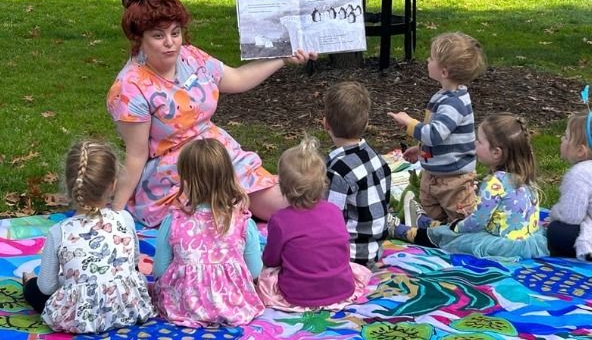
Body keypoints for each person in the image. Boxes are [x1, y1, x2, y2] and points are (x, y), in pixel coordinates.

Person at [107, 0, 316, 227]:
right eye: (158, 35)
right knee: (214, 228)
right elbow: (136, 156)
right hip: (178, 177)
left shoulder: (191, 56)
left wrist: (282, 58)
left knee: (290, 207)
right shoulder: (129, 87)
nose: (170, 43)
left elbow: (237, 79)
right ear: (138, 38)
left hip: (222, 157)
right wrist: (115, 217)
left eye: (175, 33)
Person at [22, 141, 154, 334]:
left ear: (69, 185)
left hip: (81, 317)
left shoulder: (60, 231)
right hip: (127, 308)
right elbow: (133, 265)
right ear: (113, 184)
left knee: (33, 289)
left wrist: (70, 283)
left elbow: (47, 287)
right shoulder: (124, 219)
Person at [390, 113, 549, 260]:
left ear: (496, 153)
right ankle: (426, 223)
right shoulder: (525, 178)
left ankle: (404, 232)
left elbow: (476, 223)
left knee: (452, 235)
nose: (474, 143)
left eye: (479, 141)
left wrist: (456, 227)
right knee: (455, 227)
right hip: (527, 242)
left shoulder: (495, 183)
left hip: (499, 245)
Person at [152, 138, 264, 327]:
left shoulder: (174, 221)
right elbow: (255, 270)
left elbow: (159, 271)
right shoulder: (242, 222)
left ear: (186, 181)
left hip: (183, 307)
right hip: (234, 305)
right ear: (228, 177)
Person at [256, 136, 372, 311]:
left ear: (282, 186)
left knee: (264, 277)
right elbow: (341, 251)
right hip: (342, 289)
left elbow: (271, 260)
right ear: (323, 183)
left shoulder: (280, 220)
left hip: (297, 295)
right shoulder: (334, 211)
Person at [388, 32, 487, 224]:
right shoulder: (444, 96)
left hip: (453, 179)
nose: (427, 60)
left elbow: (434, 134)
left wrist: (409, 123)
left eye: (432, 58)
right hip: (435, 174)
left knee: (461, 218)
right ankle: (437, 234)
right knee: (430, 211)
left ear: (444, 72)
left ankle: (458, 238)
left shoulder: (453, 104)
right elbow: (444, 138)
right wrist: (421, 150)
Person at [324, 81, 392, 267]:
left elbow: (330, 221)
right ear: (367, 123)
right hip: (375, 249)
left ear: (326, 124)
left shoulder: (337, 171)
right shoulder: (379, 160)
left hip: (348, 256)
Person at [547, 111, 592, 260]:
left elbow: (571, 217)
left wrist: (554, 214)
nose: (561, 139)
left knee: (555, 230)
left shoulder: (580, 173)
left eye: (566, 137)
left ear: (580, 151)